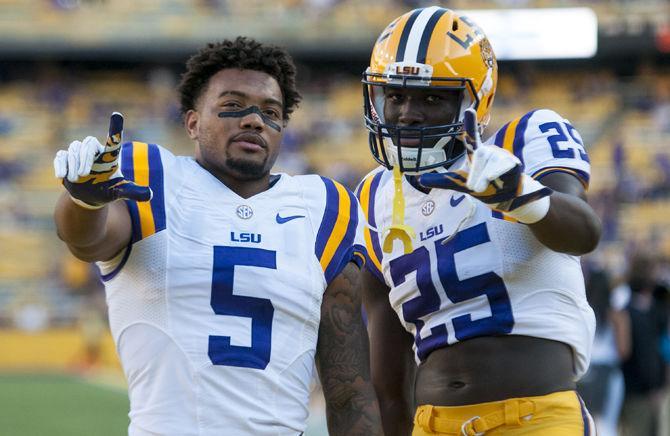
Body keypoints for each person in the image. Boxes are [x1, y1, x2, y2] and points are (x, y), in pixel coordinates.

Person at [53, 37, 382, 436]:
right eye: (232, 106)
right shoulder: (153, 177)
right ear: (192, 122)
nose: (254, 120)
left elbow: (350, 391)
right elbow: (88, 239)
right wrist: (84, 202)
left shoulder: (325, 206)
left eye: (270, 111)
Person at [357, 7, 602, 435]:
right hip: (431, 425)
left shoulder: (524, 139)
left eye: (431, 97)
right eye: (395, 96)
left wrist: (518, 194)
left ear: (474, 100)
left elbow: (582, 232)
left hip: (535, 418)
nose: (407, 114)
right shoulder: (372, 196)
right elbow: (390, 379)